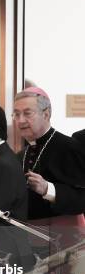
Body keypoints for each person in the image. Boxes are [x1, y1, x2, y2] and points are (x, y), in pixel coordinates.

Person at [13, 87, 85, 224]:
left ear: (46, 114)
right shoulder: (21, 154)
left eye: (27, 113)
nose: (20, 120)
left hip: (64, 233)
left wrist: (48, 189)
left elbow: (81, 199)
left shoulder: (70, 147)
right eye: (16, 114)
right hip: (30, 232)